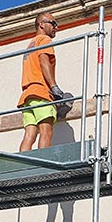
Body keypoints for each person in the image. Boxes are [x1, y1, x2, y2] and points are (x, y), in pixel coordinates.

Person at [18, 12, 70, 152]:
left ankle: (23, 162)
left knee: (30, 135)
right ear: (41, 24)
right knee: (46, 131)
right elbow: (44, 62)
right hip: (41, 92)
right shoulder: (44, 40)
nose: (56, 27)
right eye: (53, 23)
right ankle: (42, 162)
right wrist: (54, 87)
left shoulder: (31, 44)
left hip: (28, 96)